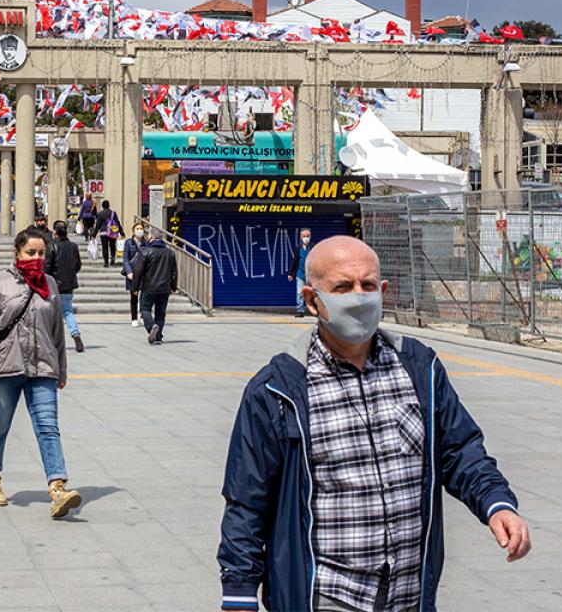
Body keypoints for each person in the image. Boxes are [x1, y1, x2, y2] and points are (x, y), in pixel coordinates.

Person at [217, 236, 530, 612]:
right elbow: (246, 501)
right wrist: (238, 593)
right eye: (342, 287)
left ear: (383, 292)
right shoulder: (277, 388)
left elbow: (460, 450)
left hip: (408, 594)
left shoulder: (419, 367)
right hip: (326, 594)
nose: (359, 297)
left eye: (368, 285)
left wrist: (497, 504)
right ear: (312, 299)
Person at [0, 227, 82, 519]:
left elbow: (57, 331)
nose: (36, 258)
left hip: (43, 366)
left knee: (48, 426)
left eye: (41, 253)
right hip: (5, 368)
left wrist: (61, 368)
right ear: (17, 252)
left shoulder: (51, 284)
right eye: (30, 252)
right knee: (0, 426)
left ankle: (58, 487)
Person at [131, 231, 177, 345]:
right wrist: (173, 287)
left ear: (151, 238)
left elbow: (138, 271)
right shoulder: (170, 253)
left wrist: (135, 287)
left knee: (145, 309)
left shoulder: (145, 251)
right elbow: (174, 272)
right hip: (164, 288)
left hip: (149, 287)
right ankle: (158, 337)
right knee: (160, 313)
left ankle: (152, 328)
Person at [45, 220, 84, 352]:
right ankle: (76, 335)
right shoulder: (73, 246)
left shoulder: (51, 246)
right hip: (68, 285)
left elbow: (47, 267)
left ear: (55, 232)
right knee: (68, 312)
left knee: (52, 314)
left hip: (54, 285)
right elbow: (78, 265)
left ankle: (52, 340)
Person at [121, 222, 147, 328]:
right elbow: (125, 258)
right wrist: (128, 272)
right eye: (137, 229)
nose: (139, 230)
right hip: (132, 273)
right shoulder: (129, 242)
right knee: (134, 296)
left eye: (141, 228)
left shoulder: (146, 243)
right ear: (133, 231)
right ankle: (134, 318)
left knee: (144, 296)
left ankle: (143, 315)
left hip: (144, 273)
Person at [288, 227, 314, 318]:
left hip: (312, 274)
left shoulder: (313, 247)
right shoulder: (298, 249)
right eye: (304, 236)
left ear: (310, 236)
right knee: (300, 293)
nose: (306, 238)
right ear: (300, 237)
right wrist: (291, 274)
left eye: (307, 236)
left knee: (313, 293)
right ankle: (300, 311)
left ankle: (314, 310)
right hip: (300, 274)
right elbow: (295, 261)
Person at [94, 199, 121, 267]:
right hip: (112, 232)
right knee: (112, 246)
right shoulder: (113, 213)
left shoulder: (100, 214)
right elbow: (117, 223)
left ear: (102, 206)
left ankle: (106, 262)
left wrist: (94, 234)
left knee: (104, 247)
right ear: (109, 205)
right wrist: (121, 232)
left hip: (103, 232)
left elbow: (97, 225)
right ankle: (112, 258)